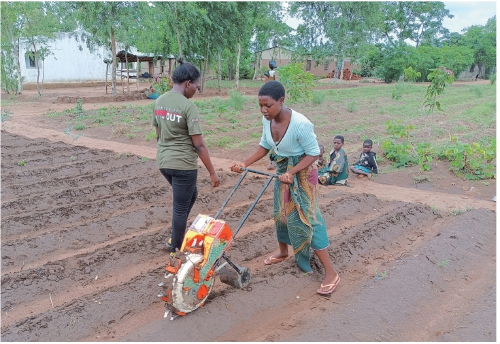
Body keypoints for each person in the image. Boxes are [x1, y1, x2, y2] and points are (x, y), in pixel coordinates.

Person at [229, 80, 340, 295]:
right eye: (260, 105)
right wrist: (245, 163)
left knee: (309, 218)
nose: (263, 110)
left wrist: (293, 171)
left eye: (268, 105)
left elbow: (314, 153)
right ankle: (283, 252)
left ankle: (331, 272)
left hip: (304, 173)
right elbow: (264, 145)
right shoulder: (267, 120)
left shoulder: (301, 124)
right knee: (280, 214)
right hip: (284, 171)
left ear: (281, 101)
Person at [152, 57, 221, 256]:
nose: (195, 92)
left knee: (192, 195)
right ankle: (175, 248)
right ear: (188, 83)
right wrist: (213, 173)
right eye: (196, 87)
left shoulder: (159, 101)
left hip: (164, 162)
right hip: (183, 165)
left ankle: (176, 234)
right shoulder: (188, 106)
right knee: (180, 208)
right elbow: (198, 144)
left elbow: (158, 135)